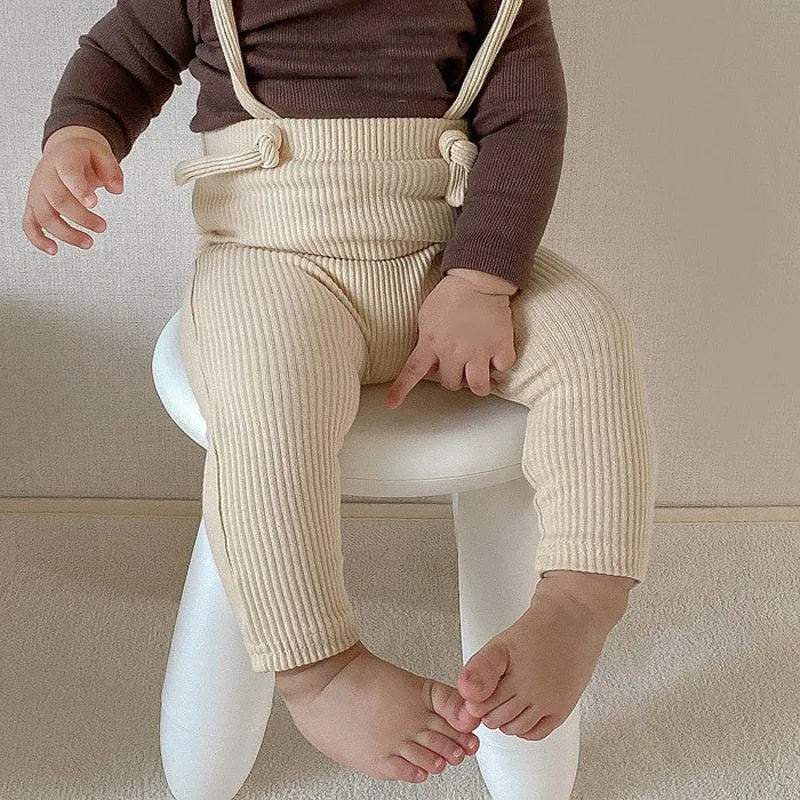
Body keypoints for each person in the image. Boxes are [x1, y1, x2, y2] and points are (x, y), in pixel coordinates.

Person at [22, 0, 658, 788]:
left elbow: (527, 118)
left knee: (591, 335)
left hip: (446, 256)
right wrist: (78, 136)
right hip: (275, 258)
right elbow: (122, 58)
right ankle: (319, 670)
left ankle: (579, 598)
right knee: (265, 404)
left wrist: (481, 278)